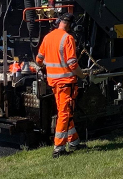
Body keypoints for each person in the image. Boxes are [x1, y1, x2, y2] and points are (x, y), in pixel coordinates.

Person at [36, 13, 86, 157]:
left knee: (65, 112)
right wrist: (82, 75)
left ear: (58, 22)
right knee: (64, 114)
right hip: (66, 83)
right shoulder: (68, 38)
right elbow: (72, 64)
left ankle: (74, 142)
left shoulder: (48, 37)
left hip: (54, 83)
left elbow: (39, 60)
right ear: (70, 25)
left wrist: (47, 67)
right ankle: (58, 148)